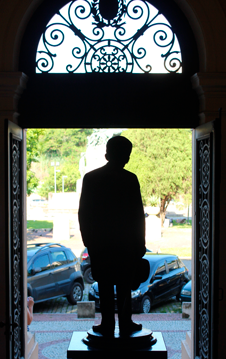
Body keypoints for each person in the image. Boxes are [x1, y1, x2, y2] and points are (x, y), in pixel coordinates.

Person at [78, 136, 146, 336]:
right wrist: (140, 243)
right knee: (125, 286)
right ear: (126, 156)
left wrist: (88, 241)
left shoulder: (91, 178)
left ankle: (107, 323)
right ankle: (126, 322)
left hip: (100, 244)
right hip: (126, 244)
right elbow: (137, 215)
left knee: (105, 285)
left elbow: (84, 213)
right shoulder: (130, 179)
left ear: (107, 154)